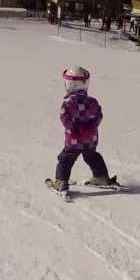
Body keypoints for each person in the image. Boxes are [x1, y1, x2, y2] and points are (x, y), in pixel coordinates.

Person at [48, 66, 113, 194]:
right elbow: (99, 116)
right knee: (92, 156)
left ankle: (61, 182)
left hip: (74, 140)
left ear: (70, 84)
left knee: (66, 159)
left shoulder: (68, 102)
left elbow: (64, 118)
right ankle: (101, 177)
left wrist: (75, 129)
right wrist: (90, 128)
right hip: (91, 139)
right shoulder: (93, 102)